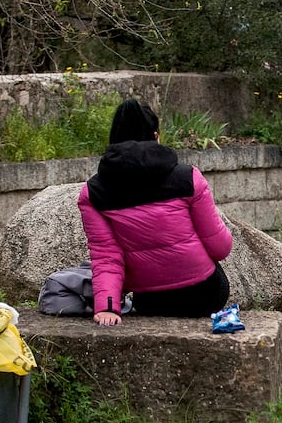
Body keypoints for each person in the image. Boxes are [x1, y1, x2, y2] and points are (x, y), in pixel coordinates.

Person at [78, 99, 233, 326]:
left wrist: (108, 306)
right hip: (206, 295)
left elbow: (106, 256)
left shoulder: (93, 193)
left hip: (151, 301)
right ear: (155, 135)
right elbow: (220, 248)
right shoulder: (188, 178)